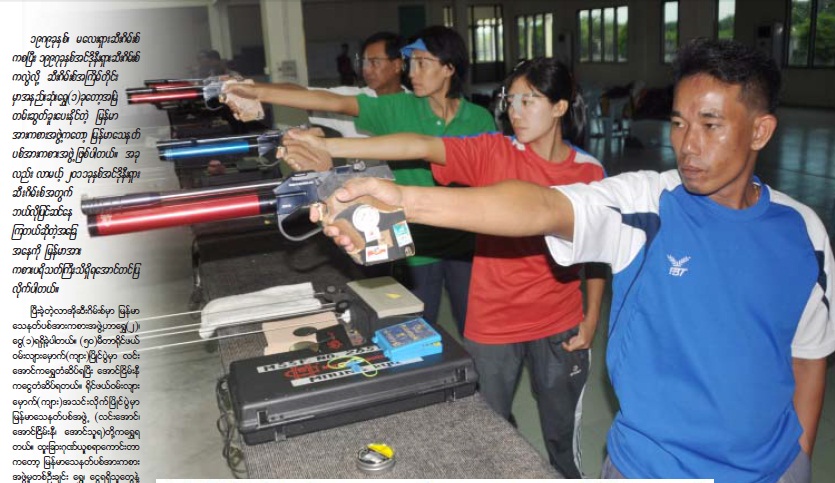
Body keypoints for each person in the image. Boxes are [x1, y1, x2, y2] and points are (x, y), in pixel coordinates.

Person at [311, 38, 835, 483]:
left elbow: (808, 356)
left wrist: (800, 457)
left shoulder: (804, 232)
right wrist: (401, 199)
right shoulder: (646, 203)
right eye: (678, 122)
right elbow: (538, 206)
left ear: (760, 131)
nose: (688, 145)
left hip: (773, 468)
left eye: (711, 124)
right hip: (651, 468)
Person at [281, 57, 605, 478]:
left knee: (562, 436)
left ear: (560, 107)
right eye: (511, 100)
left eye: (529, 101)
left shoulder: (588, 172)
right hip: (492, 322)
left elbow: (599, 252)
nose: (515, 111)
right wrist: (330, 148)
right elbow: (418, 145)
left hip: (558, 322)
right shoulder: (493, 152)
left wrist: (591, 316)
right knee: (489, 429)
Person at [224, 26, 496, 331]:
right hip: (416, 243)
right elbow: (329, 100)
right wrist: (254, 91)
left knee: (476, 325)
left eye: (422, 63)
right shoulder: (396, 107)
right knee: (417, 327)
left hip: (466, 242)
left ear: (449, 68)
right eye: (412, 64)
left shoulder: (479, 119)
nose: (412, 73)